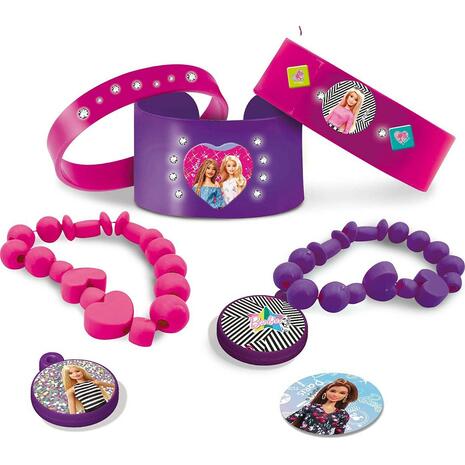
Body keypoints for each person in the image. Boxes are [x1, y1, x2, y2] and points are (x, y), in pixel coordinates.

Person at [286, 378, 358, 435]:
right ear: (326, 392)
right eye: (332, 391)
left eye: (342, 393)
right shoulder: (311, 407)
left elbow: (339, 434)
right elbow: (290, 419)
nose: (335, 395)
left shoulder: (343, 415)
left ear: (346, 396)